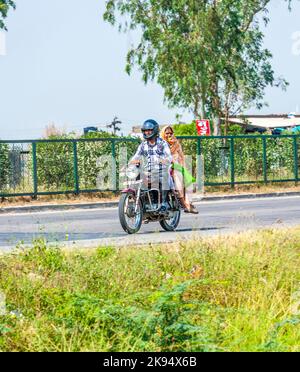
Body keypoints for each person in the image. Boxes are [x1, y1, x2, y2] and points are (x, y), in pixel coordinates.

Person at [131, 119, 173, 213]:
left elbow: (169, 157)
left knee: (163, 176)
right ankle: (143, 204)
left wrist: (164, 160)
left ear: (154, 130)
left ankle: (164, 203)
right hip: (148, 171)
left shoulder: (162, 143)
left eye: (149, 130)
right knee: (137, 179)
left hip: (161, 170)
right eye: (145, 131)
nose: (147, 132)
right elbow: (135, 156)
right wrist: (133, 162)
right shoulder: (143, 145)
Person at [161, 125, 199, 214]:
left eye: (171, 133)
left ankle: (187, 204)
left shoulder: (176, 143)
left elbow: (181, 156)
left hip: (175, 166)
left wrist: (182, 168)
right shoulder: (160, 143)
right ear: (163, 133)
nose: (169, 135)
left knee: (185, 178)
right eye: (167, 133)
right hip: (161, 166)